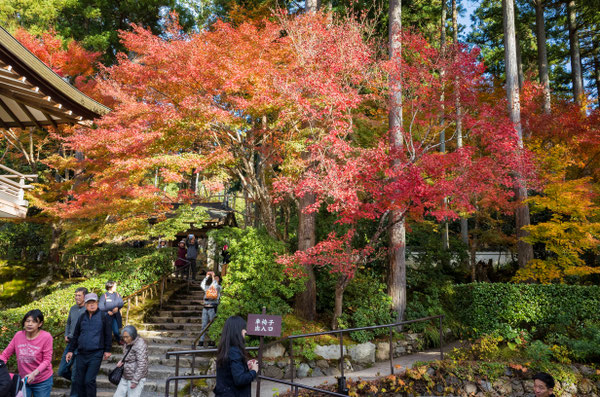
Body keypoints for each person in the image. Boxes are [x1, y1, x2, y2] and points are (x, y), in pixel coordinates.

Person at [66, 293, 112, 397]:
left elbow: (108, 334)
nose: (92, 305)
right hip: (81, 353)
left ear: (97, 303)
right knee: (79, 381)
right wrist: (70, 350)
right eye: (89, 303)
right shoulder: (82, 317)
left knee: (89, 381)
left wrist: (107, 350)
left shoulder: (103, 316)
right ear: (85, 305)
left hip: (96, 353)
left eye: (94, 302)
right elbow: (76, 334)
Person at [0, 309, 53, 397]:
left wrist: (34, 373)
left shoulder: (46, 337)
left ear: (40, 324)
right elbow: (5, 355)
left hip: (42, 381)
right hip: (24, 380)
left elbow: (47, 360)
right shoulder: (18, 335)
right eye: (27, 321)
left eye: (34, 322)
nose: (29, 324)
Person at [214, 316, 258, 397]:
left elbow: (230, 372)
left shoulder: (225, 349)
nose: (245, 331)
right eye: (243, 328)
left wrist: (244, 367)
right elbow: (239, 380)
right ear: (237, 331)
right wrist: (254, 371)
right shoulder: (234, 351)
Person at [57, 287, 88, 396]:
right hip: (70, 343)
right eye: (75, 295)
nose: (76, 297)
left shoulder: (88, 310)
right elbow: (68, 323)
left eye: (79, 295)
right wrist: (66, 334)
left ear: (85, 296)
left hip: (81, 345)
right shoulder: (73, 308)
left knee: (75, 374)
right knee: (61, 371)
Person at [113, 326, 148, 397]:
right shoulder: (127, 343)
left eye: (127, 337)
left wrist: (135, 381)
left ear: (133, 335)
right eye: (123, 337)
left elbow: (142, 364)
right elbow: (128, 355)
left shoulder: (140, 344)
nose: (125, 339)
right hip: (125, 375)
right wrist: (122, 361)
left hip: (135, 377)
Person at [200, 271, 222, 347]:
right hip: (205, 307)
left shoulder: (219, 287)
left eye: (217, 278)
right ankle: (201, 341)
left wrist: (213, 277)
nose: (215, 278)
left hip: (213, 307)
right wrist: (206, 277)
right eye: (215, 277)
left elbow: (215, 285)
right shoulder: (208, 288)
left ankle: (212, 341)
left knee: (212, 325)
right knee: (204, 325)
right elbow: (202, 285)